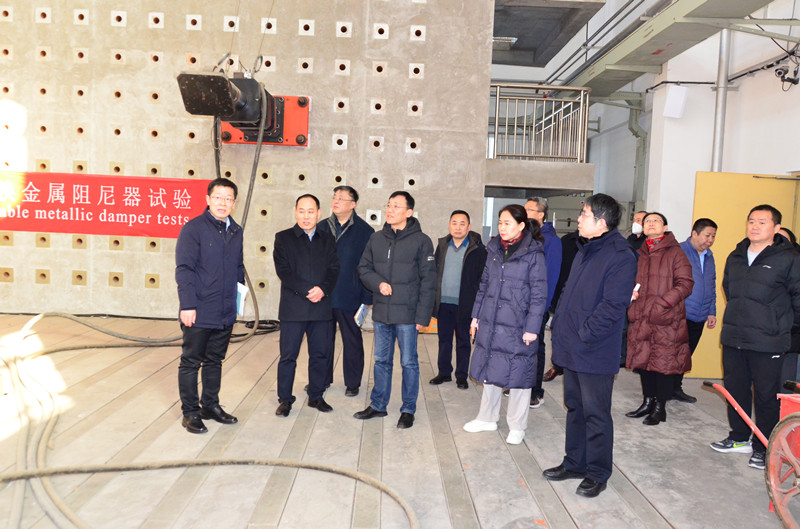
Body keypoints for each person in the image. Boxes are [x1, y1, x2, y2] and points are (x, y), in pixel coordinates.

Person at [543, 194, 637, 498]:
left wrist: (584, 334)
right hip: (572, 344)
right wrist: (561, 328)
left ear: (602, 221)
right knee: (575, 408)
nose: (579, 219)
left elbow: (613, 306)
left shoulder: (620, 256)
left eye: (584, 214)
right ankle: (575, 463)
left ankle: (597, 472)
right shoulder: (586, 248)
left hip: (594, 349)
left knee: (596, 414)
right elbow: (570, 293)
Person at [711, 205, 800, 471]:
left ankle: (763, 447)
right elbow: (729, 290)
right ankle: (739, 438)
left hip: (768, 340)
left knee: (766, 396)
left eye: (762, 221)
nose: (755, 226)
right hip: (735, 336)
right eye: (751, 221)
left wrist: (782, 326)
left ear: (776, 228)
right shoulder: (736, 255)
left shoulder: (789, 258)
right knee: (735, 391)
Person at [462, 204, 547, 445]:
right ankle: (487, 418)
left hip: (518, 324)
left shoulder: (533, 254)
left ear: (521, 225)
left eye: (507, 223)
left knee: (519, 374)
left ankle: (517, 426)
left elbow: (539, 295)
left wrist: (532, 328)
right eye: (500, 222)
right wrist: (476, 316)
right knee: (491, 368)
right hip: (492, 319)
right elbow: (484, 285)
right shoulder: (494, 249)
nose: (502, 227)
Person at [355, 191, 437, 429]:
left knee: (409, 362)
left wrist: (423, 316)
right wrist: (378, 284)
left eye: (396, 206)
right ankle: (378, 405)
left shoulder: (422, 241)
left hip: (408, 316)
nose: (390, 210)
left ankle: (408, 409)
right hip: (382, 312)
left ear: (409, 212)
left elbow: (429, 281)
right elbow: (364, 268)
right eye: (389, 205)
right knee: (381, 360)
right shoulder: (376, 239)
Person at [175, 178, 244, 434]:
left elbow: (238, 267)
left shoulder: (236, 231)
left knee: (215, 360)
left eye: (228, 198)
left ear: (234, 203)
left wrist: (237, 301)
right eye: (218, 197)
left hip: (225, 310)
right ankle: (190, 412)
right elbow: (184, 269)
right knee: (191, 362)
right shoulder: (193, 229)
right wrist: (187, 305)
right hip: (199, 308)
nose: (222, 203)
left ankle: (210, 406)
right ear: (208, 199)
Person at [273, 194, 339, 417]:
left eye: (311, 211)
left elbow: (334, 269)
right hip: (293, 308)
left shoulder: (328, 239)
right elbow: (284, 271)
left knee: (320, 355)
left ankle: (316, 396)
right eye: (301, 211)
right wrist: (308, 290)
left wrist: (322, 289)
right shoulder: (283, 238)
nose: (306, 216)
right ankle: (285, 400)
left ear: (319, 213)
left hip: (321, 307)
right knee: (288, 357)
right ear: (295, 212)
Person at [625, 212, 694, 426]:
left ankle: (660, 407)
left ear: (665, 227)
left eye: (656, 221)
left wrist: (663, 303)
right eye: (647, 221)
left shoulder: (675, 252)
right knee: (644, 361)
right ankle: (647, 402)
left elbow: (686, 283)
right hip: (642, 315)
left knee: (663, 364)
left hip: (666, 317)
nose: (651, 224)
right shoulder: (640, 252)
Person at [317, 186, 374, 397]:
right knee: (322, 341)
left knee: (352, 341)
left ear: (353, 204)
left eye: (341, 198)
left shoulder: (365, 231)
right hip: (323, 295)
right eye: (334, 197)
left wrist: (367, 297)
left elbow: (369, 266)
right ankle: (321, 379)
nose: (336, 201)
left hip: (350, 295)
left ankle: (353, 382)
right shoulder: (321, 227)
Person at [429, 210, 486, 390]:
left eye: (462, 224)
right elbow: (435, 272)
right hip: (444, 303)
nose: (458, 227)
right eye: (454, 223)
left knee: (463, 341)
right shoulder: (442, 246)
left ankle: (461, 376)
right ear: (449, 225)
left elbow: (482, 279)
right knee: (444, 340)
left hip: (465, 304)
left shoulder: (478, 250)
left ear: (469, 227)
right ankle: (444, 372)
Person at [524, 197, 562, 408]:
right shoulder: (524, 235)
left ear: (541, 214)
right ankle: (519, 384)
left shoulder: (551, 240)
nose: (525, 213)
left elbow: (550, 276)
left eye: (529, 210)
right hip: (519, 303)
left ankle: (535, 391)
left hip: (537, 305)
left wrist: (542, 307)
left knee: (535, 348)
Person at [677, 218, 718, 403]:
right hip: (681, 313)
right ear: (694, 233)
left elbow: (711, 285)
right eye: (707, 235)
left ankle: (675, 387)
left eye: (713, 236)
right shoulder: (679, 251)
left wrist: (711, 311)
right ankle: (664, 390)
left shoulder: (709, 256)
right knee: (673, 354)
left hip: (700, 315)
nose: (710, 240)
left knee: (686, 355)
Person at [542, 229, 580, 382]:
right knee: (559, 333)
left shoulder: (603, 246)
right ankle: (557, 365)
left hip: (584, 298)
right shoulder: (567, 241)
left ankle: (572, 367)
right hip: (564, 294)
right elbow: (558, 270)